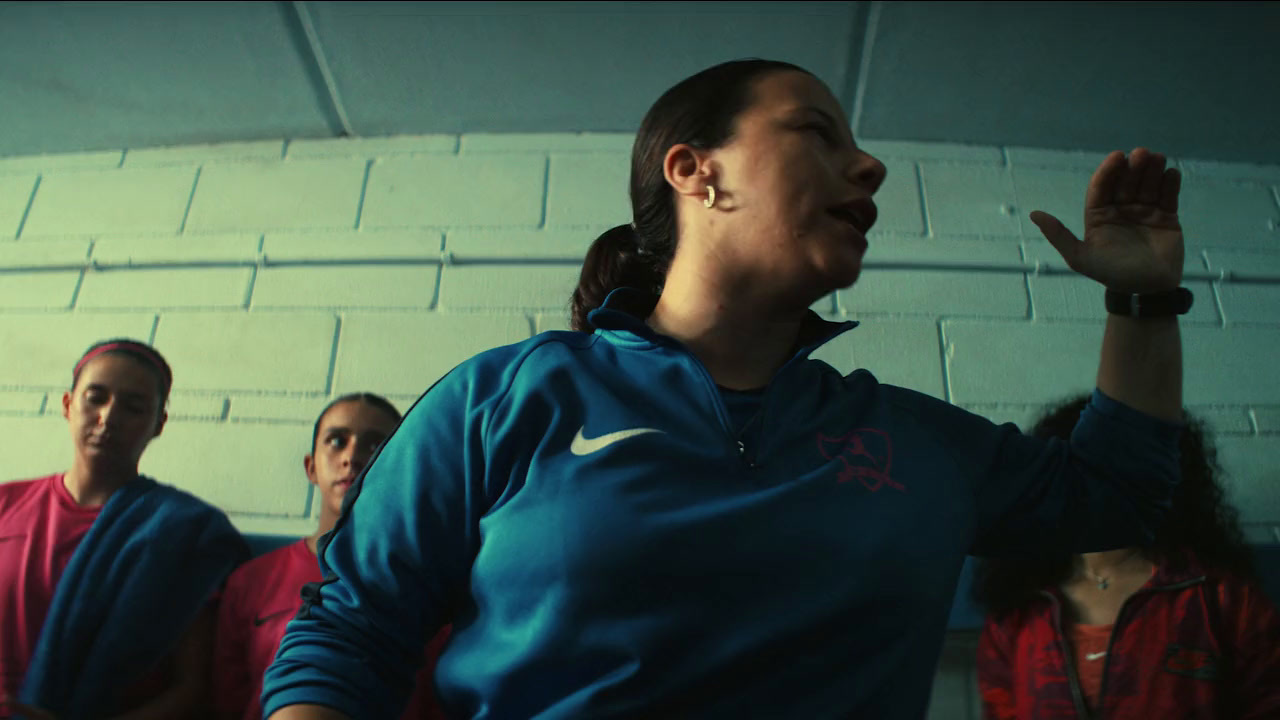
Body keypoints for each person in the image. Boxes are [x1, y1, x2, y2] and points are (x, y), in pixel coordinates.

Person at [262, 58, 1190, 718]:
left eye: (859, 149)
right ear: (693, 171)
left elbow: (1119, 495)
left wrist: (1143, 303)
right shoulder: (506, 399)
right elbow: (351, 629)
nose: (870, 167)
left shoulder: (914, 440)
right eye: (817, 134)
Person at [974, 396, 1280, 719]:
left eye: (1112, 469)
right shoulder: (1019, 610)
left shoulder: (1221, 599)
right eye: (1079, 468)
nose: (1095, 487)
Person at [0, 338, 248, 719]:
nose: (108, 417)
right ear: (68, 405)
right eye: (95, 398)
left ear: (158, 424)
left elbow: (193, 688)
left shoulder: (186, 532)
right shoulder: (6, 504)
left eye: (134, 407)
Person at [213, 393, 451, 720]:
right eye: (337, 441)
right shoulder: (251, 580)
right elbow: (226, 704)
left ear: (399, 468)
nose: (352, 457)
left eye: (374, 445)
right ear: (311, 467)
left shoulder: (437, 585)